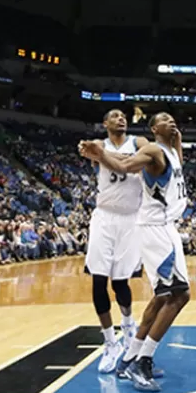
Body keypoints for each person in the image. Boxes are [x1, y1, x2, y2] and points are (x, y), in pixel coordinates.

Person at [80, 112, 188, 393]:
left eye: (173, 118)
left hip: (165, 227)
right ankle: (142, 360)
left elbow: (176, 166)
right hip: (154, 228)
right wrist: (101, 155)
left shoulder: (171, 151)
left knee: (164, 295)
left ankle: (129, 358)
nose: (172, 121)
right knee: (179, 295)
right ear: (153, 128)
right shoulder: (151, 149)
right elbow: (126, 165)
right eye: (165, 119)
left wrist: (178, 142)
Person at [82, 109, 147, 373]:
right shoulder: (99, 144)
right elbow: (92, 152)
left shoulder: (139, 142)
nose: (121, 118)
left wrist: (106, 157)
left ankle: (129, 326)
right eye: (115, 116)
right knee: (99, 280)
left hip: (131, 219)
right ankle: (110, 342)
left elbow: (147, 157)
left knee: (121, 282)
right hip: (105, 217)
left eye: (123, 116)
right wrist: (103, 155)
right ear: (105, 123)